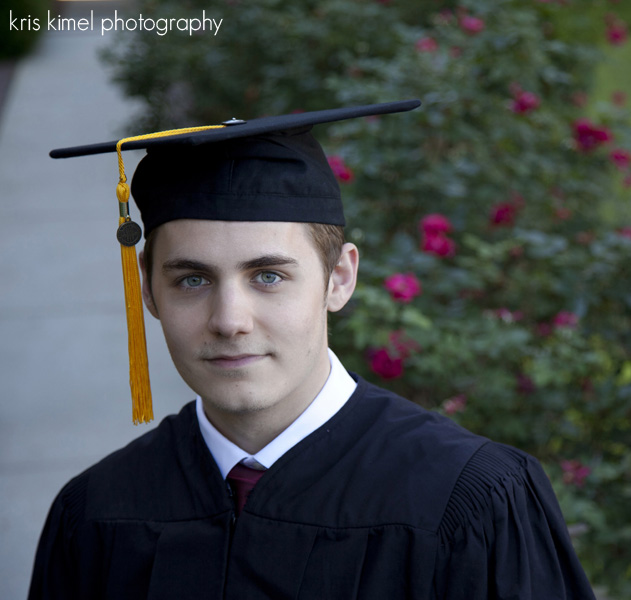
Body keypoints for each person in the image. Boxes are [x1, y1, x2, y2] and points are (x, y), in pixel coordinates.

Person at [29, 100, 596, 599]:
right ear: (149, 290)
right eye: (192, 280)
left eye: (269, 276)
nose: (229, 321)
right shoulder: (97, 515)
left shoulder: (470, 502)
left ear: (339, 279)